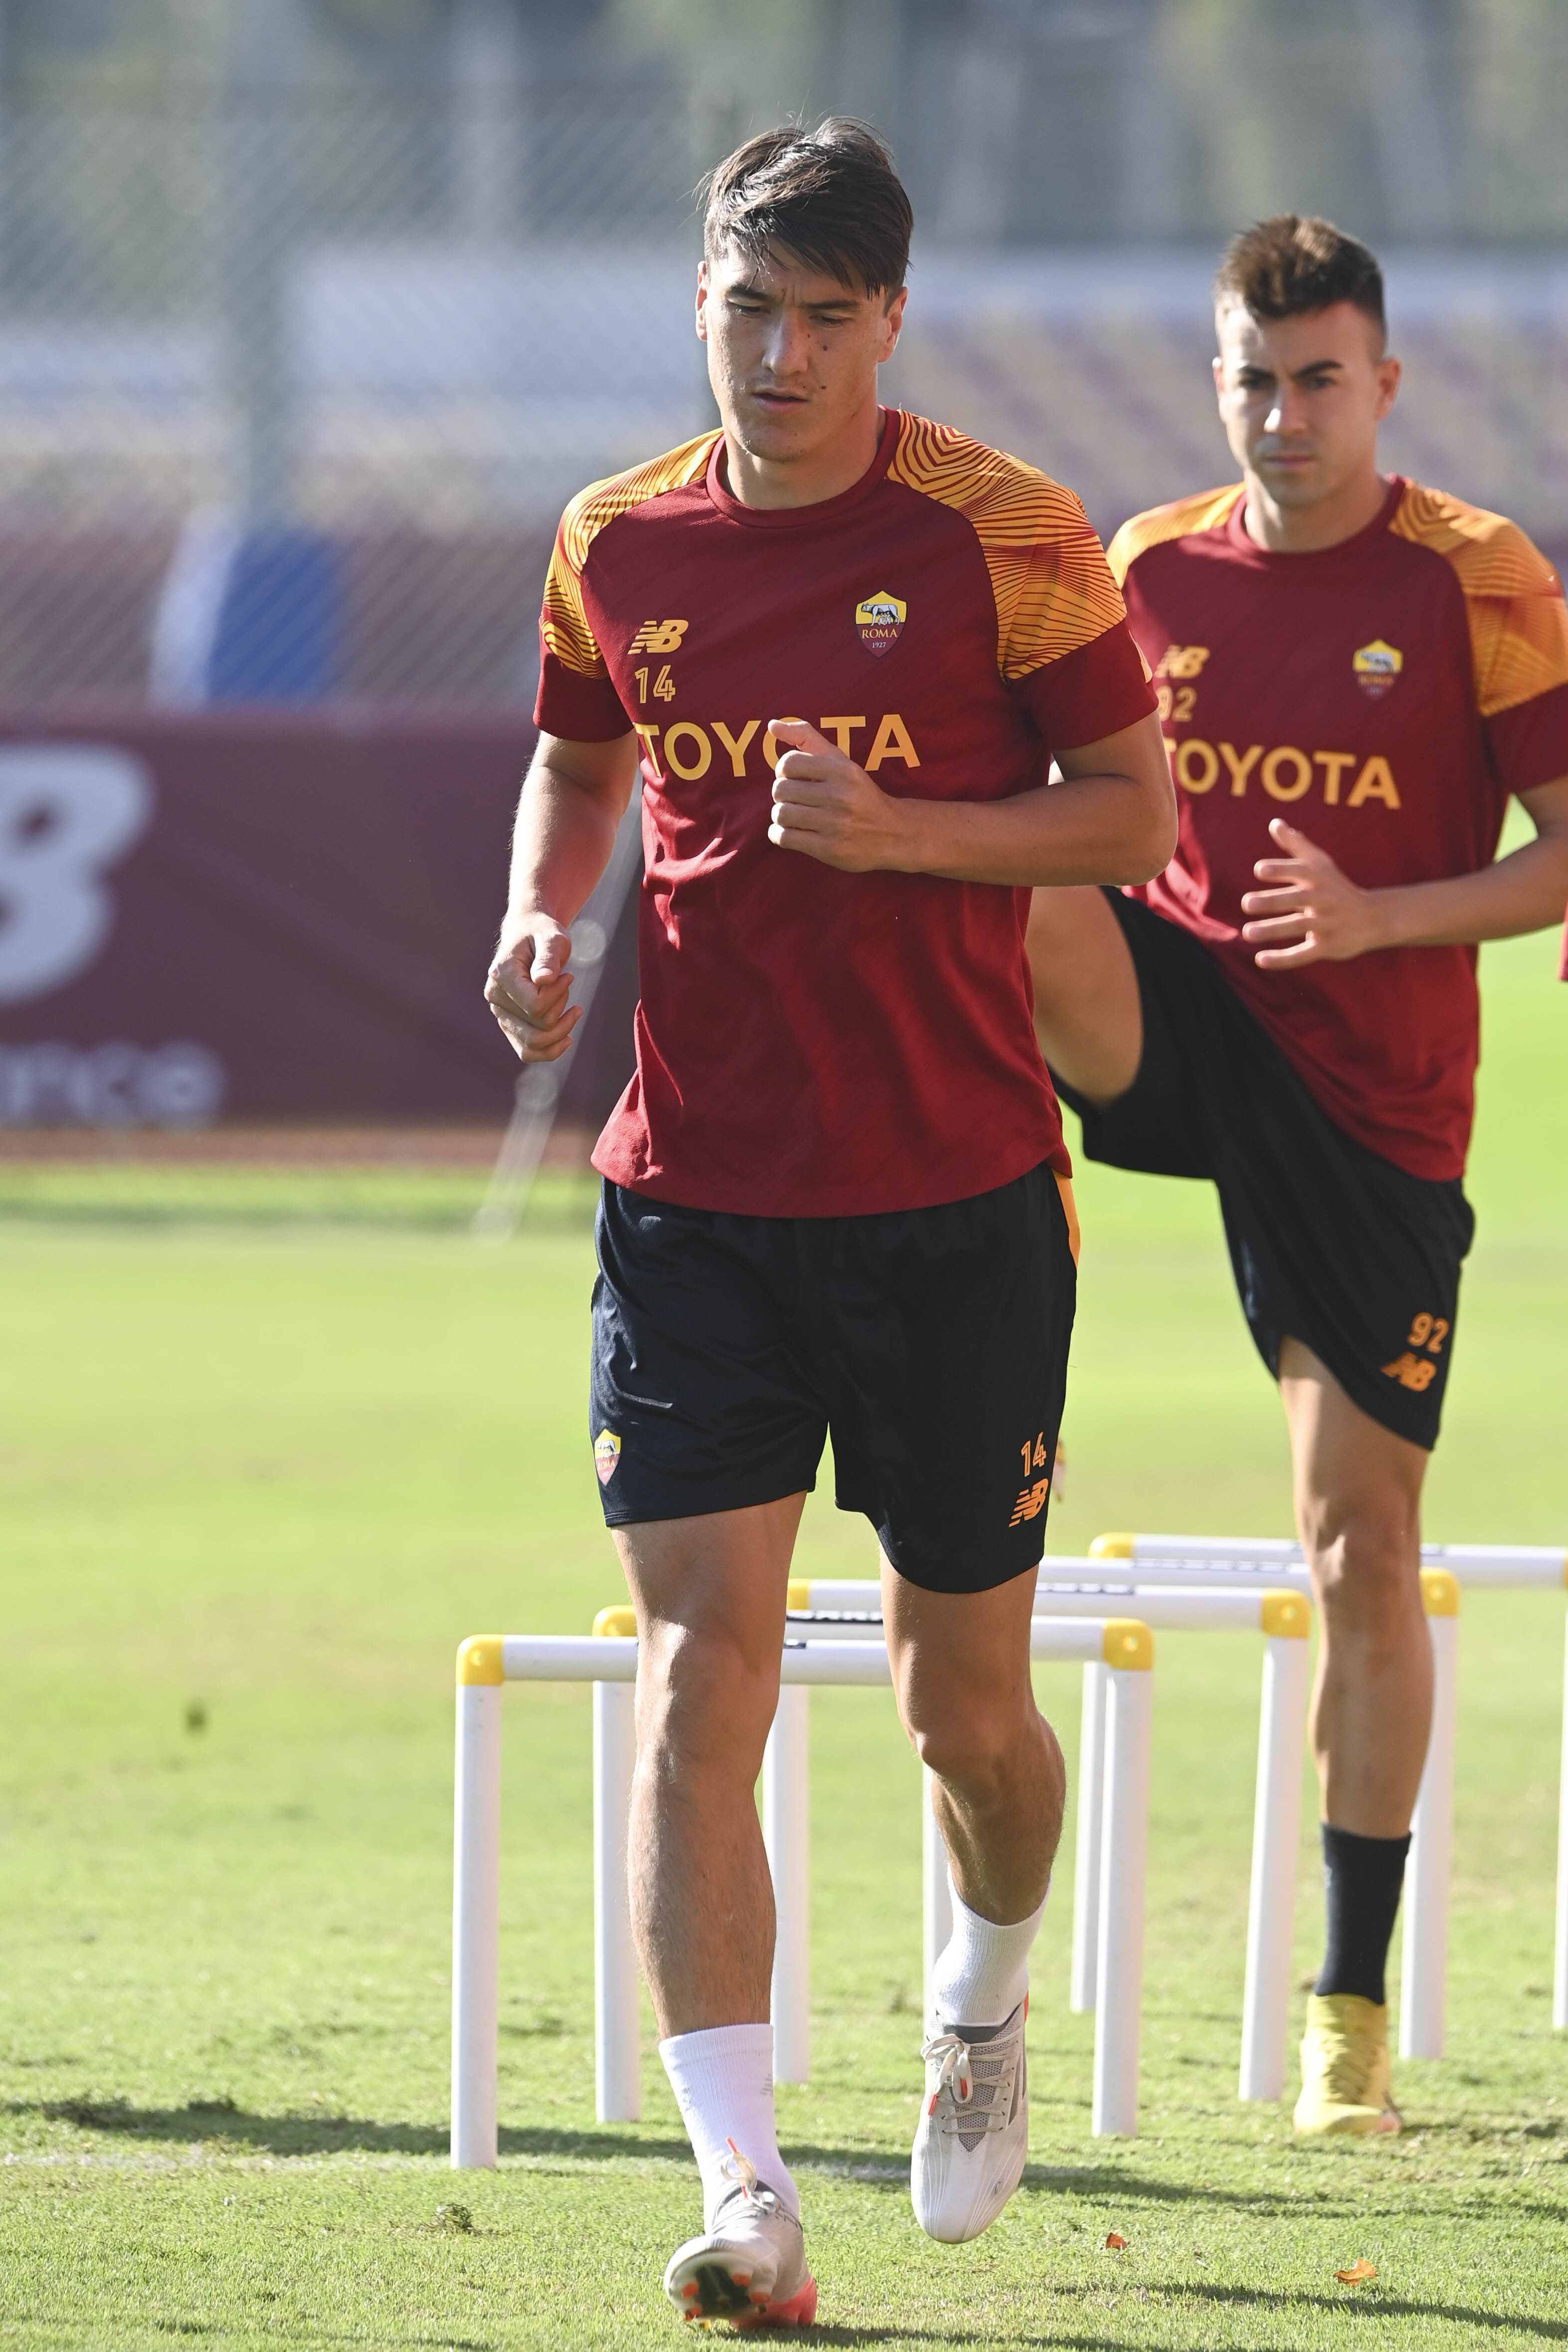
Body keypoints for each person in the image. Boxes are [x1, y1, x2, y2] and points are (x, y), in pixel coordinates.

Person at [484, 120, 1173, 2324]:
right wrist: (539, 909)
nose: (777, 357)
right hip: (692, 1195)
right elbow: (580, 754)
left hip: (956, 1199)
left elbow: (1135, 815)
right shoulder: (612, 536)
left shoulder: (1007, 534)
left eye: (823, 318)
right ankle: (746, 2194)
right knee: (702, 1673)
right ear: (697, 299)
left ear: (889, 323)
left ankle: (980, 1994)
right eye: (745, 310)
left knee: (965, 1712)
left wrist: (907, 835)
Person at [1027, 213, 1568, 2140]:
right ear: (1216, 386)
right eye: (1253, 382)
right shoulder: (1146, 569)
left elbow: (1565, 846)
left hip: (1372, 1098)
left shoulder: (1476, 577)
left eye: (1319, 380)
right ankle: (981, 1223)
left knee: (1357, 1543)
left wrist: (1378, 916)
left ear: (1383, 385)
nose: (1284, 416)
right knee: (1001, 893)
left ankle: (1346, 2015)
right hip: (1186, 1009)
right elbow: (1064, 806)